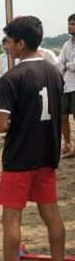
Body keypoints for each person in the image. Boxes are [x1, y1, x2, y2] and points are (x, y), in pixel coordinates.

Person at [0, 15, 66, 261]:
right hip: (47, 154)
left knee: (12, 218)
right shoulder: (54, 72)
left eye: (9, 42)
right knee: (52, 215)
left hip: (19, 158)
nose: (7, 47)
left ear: (21, 43)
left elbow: (1, 126)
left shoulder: (11, 78)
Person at [57, 13, 75, 158]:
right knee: (63, 116)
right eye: (69, 23)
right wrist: (67, 65)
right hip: (66, 85)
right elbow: (59, 62)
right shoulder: (66, 44)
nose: (70, 26)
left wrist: (67, 64)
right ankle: (67, 144)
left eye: (73, 24)